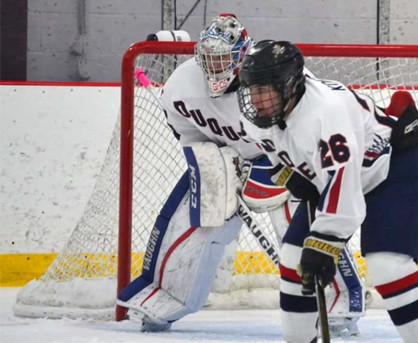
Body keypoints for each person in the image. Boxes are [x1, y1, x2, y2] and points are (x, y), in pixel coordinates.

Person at [115, 14, 365, 334]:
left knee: (298, 221)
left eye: (223, 58)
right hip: (223, 157)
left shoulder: (270, 78)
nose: (215, 66)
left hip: (280, 157)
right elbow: (188, 134)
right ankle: (166, 292)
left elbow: (304, 123)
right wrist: (214, 163)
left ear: (241, 56)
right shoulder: (181, 85)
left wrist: (276, 170)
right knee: (193, 215)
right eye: (209, 58)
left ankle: (338, 299)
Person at [237, 39, 418, 343]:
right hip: (339, 178)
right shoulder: (261, 115)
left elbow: (343, 187)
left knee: (387, 266)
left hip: (392, 169)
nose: (256, 99)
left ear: (289, 85)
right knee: (293, 258)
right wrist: (291, 174)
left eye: (264, 89)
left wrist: (324, 241)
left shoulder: (326, 112)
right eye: (252, 89)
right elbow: (276, 151)